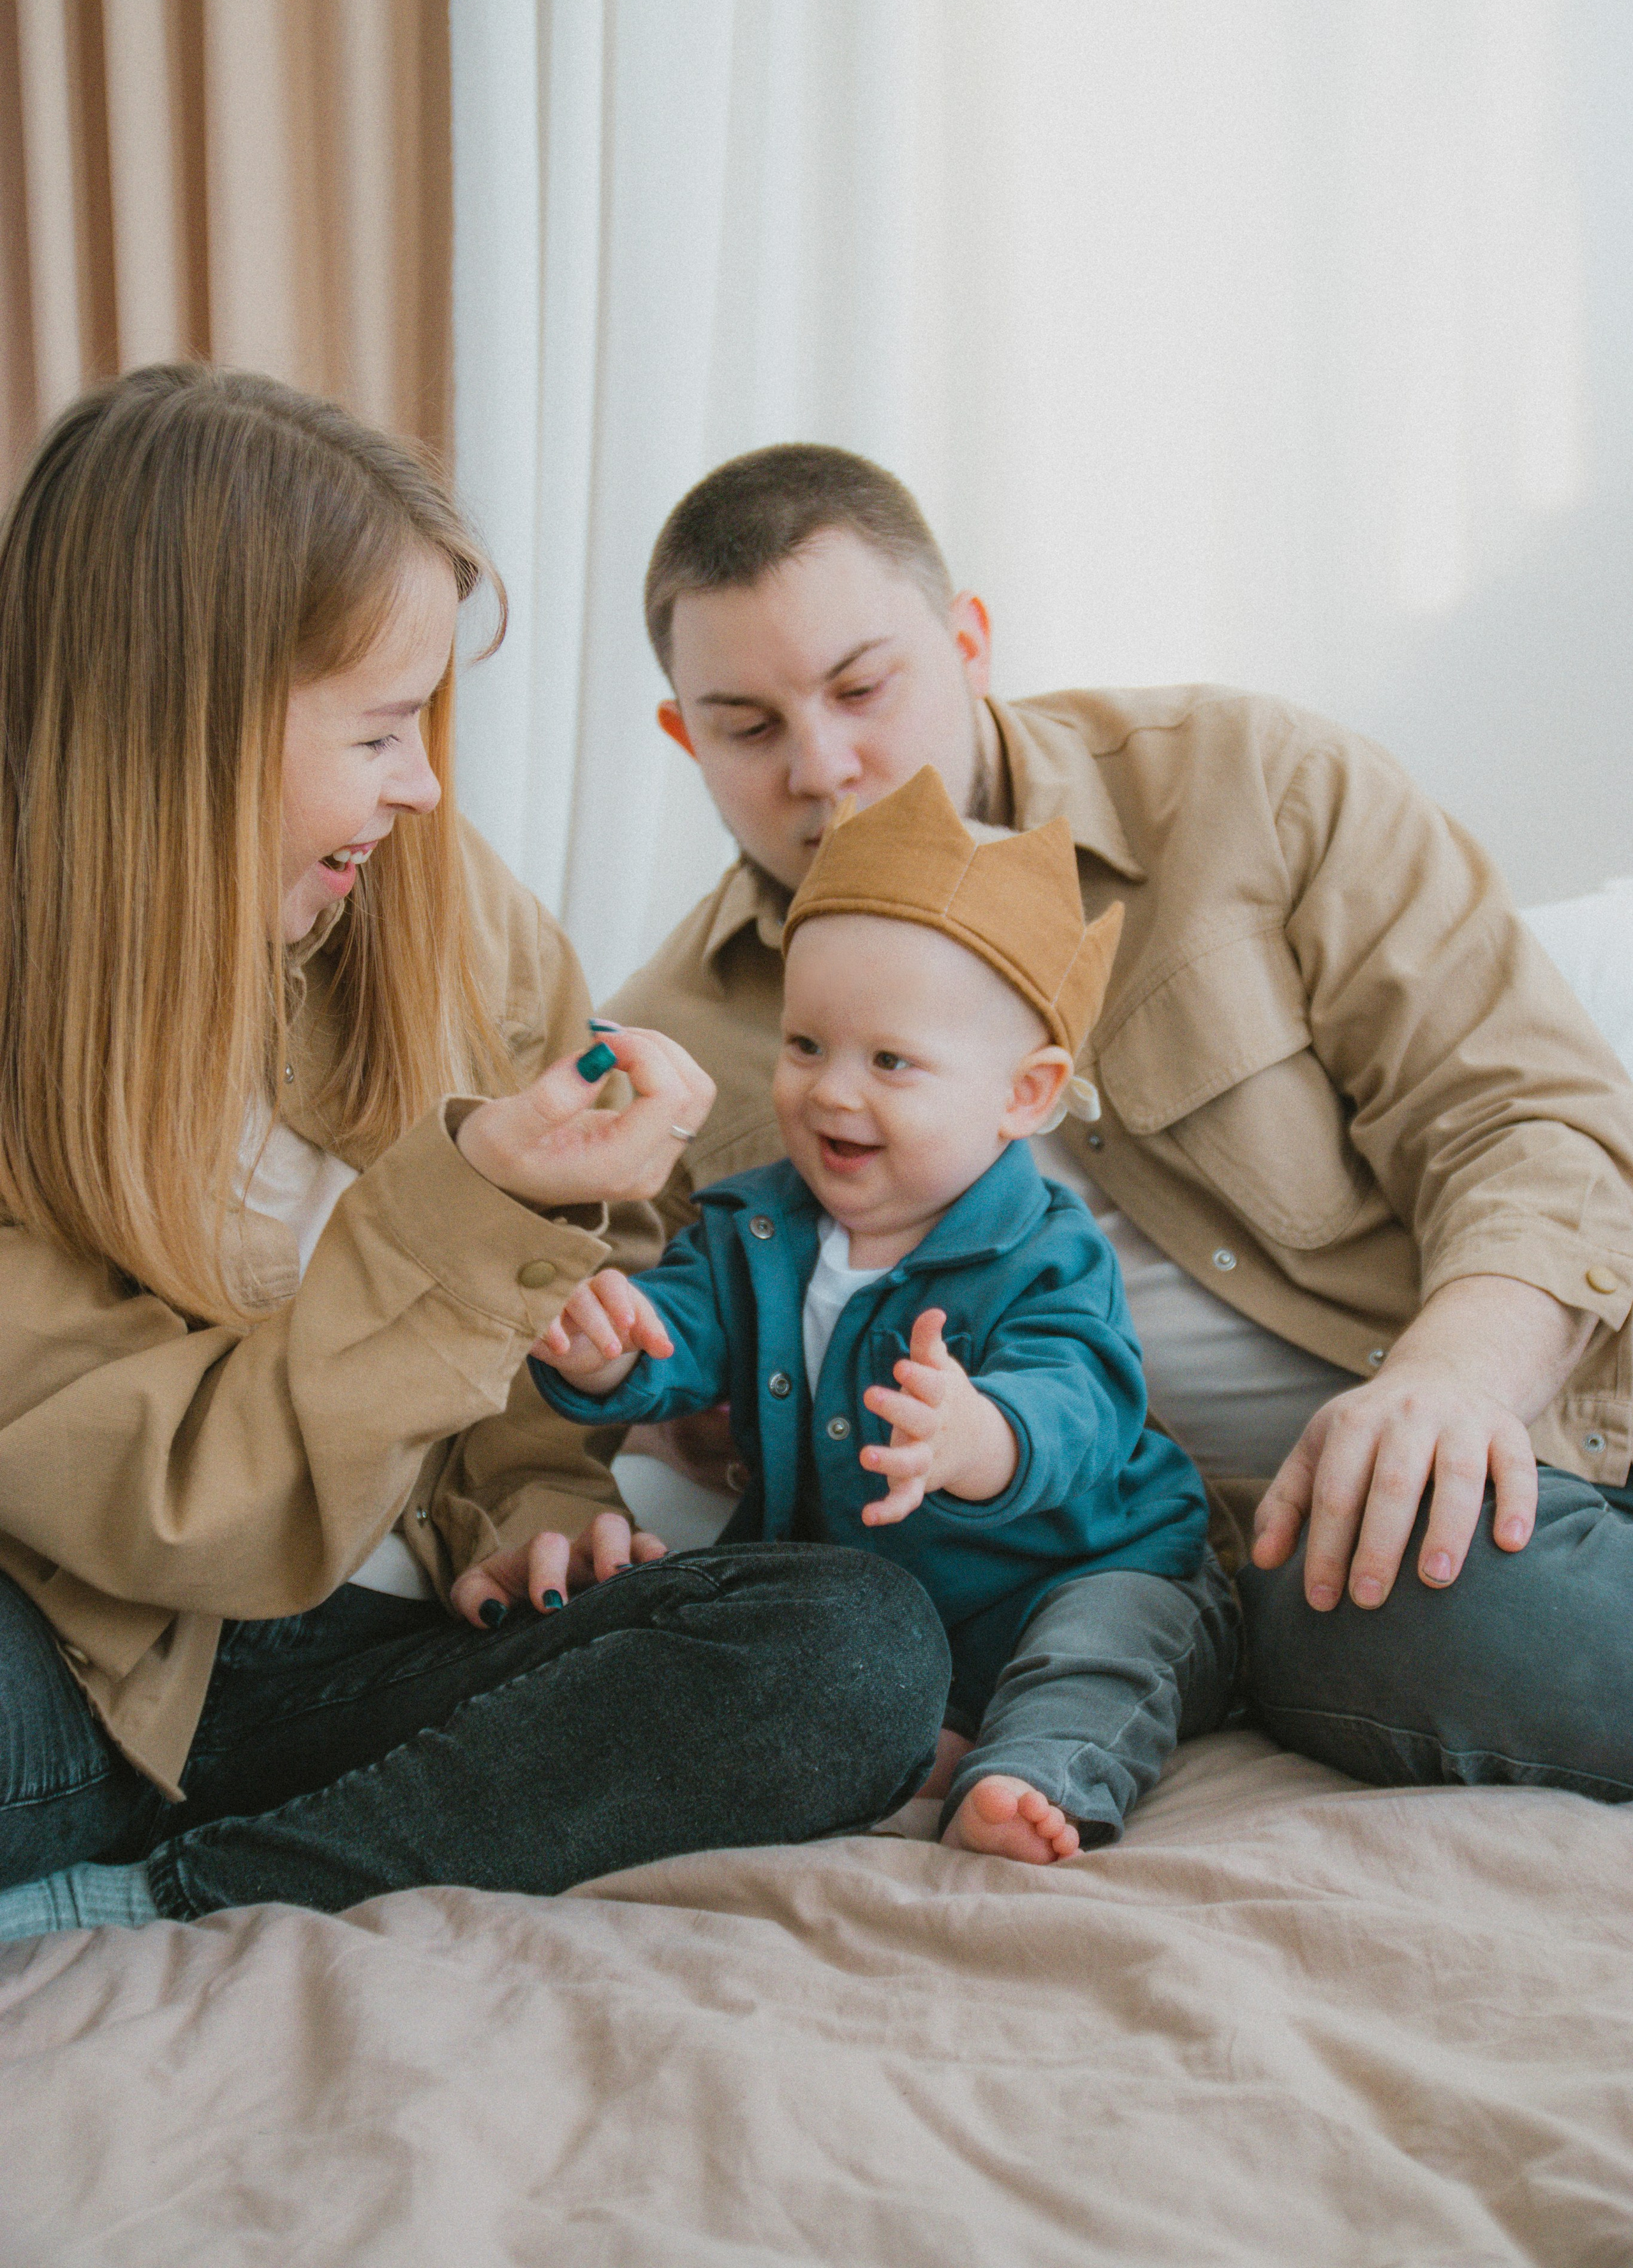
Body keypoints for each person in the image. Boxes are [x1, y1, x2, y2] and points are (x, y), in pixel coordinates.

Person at [0, 373, 947, 1943]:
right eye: (377, 731)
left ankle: (168, 1895)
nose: (422, 785)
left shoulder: (439, 901)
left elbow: (547, 1355)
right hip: (92, 1651)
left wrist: (527, 1507)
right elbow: (173, 1511)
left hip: (396, 1648)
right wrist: (475, 1205)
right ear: (190, 722)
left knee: (851, 1652)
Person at [606, 441, 1633, 1800]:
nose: (826, 768)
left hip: (1535, 1418)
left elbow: (1526, 1115)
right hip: (1235, 1572)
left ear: (967, 641)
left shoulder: (1250, 789)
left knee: (1435, 1542)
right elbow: (592, 1363)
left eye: (863, 688)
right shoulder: (673, 1046)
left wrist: (1448, 1384)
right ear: (683, 734)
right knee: (1414, 1595)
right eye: (746, 726)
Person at [533, 769, 1239, 1862]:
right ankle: (928, 1737)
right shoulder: (756, 1225)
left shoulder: (1046, 1249)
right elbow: (682, 1323)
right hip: (889, 1604)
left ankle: (1033, 1773)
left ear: (1025, 1094)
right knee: (747, 1624)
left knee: (1105, 1652)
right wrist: (604, 1354)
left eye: (891, 1062)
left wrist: (984, 1436)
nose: (831, 1092)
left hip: (1092, 1561)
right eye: (806, 1044)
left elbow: (1082, 1397)